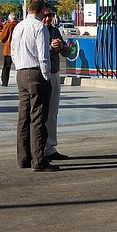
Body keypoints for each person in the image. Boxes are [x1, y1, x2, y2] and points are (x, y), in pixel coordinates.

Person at [11, 0, 56, 171]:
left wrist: (19, 66)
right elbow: (43, 56)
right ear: (43, 10)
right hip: (35, 72)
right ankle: (38, 160)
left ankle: (23, 158)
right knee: (38, 117)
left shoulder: (19, 26)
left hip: (21, 72)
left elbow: (13, 51)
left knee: (23, 117)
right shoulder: (39, 27)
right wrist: (46, 76)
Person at [42, 9, 70, 161]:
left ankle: (50, 147)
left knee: (52, 112)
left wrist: (62, 47)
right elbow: (35, 52)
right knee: (40, 113)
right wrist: (50, 48)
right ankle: (39, 148)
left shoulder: (54, 31)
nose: (47, 19)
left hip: (54, 73)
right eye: (45, 15)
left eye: (50, 16)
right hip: (40, 75)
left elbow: (67, 52)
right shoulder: (36, 30)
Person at [0, 12, 17, 87]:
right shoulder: (19, 25)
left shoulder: (8, 26)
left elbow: (2, 38)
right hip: (18, 49)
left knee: (6, 66)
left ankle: (5, 82)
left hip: (9, 49)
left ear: (9, 19)